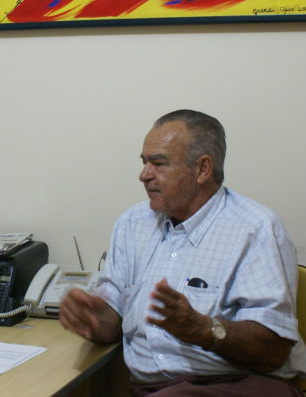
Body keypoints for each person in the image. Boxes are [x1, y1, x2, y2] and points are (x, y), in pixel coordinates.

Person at [59, 109, 306, 396]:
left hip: (240, 384)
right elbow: (110, 321)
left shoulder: (256, 229)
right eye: (144, 162)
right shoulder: (131, 224)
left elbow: (273, 350)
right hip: (150, 389)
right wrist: (91, 316)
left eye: (158, 164)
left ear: (202, 169)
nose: (143, 175)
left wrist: (205, 330)